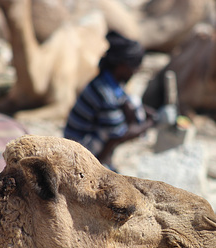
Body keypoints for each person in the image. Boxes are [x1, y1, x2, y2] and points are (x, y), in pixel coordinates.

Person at [64, 31, 156, 171]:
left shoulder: (109, 80)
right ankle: (98, 165)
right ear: (122, 65)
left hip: (80, 133)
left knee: (132, 104)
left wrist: (144, 111)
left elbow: (125, 101)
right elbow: (119, 135)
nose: (136, 71)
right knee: (113, 131)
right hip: (77, 144)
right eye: (134, 67)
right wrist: (151, 123)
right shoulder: (106, 94)